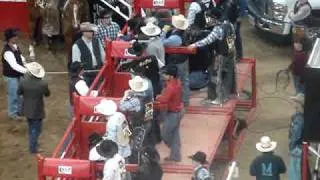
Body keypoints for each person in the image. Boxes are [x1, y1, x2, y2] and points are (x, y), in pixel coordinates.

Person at [189, 10, 236, 105]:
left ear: (214, 18)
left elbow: (208, 40)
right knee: (228, 75)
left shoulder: (218, 28)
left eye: (208, 18)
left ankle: (218, 98)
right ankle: (226, 96)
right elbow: (233, 37)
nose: (207, 20)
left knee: (216, 76)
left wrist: (194, 45)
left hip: (221, 55)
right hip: (231, 53)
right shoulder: (229, 24)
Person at [17, 62, 50, 153]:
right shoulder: (42, 84)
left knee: (31, 127)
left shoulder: (23, 81)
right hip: (37, 110)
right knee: (36, 129)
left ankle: (33, 143)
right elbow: (47, 94)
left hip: (27, 109)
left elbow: (19, 92)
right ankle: (33, 147)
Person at [156, 64, 183, 162]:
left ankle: (175, 152)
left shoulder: (171, 87)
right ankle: (175, 156)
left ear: (171, 76)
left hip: (173, 114)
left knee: (165, 135)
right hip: (178, 111)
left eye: (165, 74)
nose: (163, 76)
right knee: (175, 135)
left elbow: (163, 99)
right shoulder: (177, 82)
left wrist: (158, 96)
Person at [162, 14, 190, 107]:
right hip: (184, 59)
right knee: (185, 80)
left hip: (177, 61)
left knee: (178, 81)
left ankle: (179, 102)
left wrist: (164, 32)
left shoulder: (175, 38)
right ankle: (185, 101)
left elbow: (162, 43)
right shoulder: (184, 33)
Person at [119, 76, 154, 146]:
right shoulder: (148, 95)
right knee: (142, 141)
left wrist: (125, 95)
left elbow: (121, 107)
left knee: (136, 144)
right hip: (146, 122)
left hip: (138, 126)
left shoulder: (135, 100)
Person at [2, 28, 27, 121]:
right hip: (11, 77)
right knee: (13, 95)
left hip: (17, 75)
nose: (17, 37)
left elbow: (21, 58)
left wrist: (27, 65)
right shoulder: (7, 51)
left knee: (20, 94)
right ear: (10, 38)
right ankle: (13, 114)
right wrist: (27, 71)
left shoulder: (15, 47)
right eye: (14, 36)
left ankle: (19, 111)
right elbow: (14, 65)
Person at [72, 22, 105, 86]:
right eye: (90, 31)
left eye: (92, 31)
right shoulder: (77, 45)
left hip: (98, 72)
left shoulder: (97, 41)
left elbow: (103, 56)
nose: (92, 33)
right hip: (86, 76)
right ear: (84, 32)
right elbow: (76, 63)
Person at [288, 93, 304, 180]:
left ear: (299, 104)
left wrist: (291, 147)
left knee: (294, 173)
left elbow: (296, 135)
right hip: (302, 146)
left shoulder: (298, 118)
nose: (293, 103)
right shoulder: (302, 116)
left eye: (295, 101)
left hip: (297, 148)